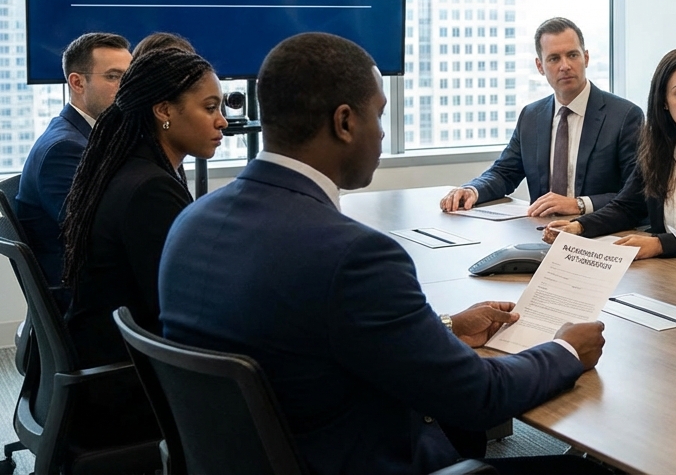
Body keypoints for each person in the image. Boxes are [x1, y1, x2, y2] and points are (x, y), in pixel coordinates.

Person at [160, 33, 608, 475]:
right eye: (379, 116)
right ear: (344, 122)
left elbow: (316, 336)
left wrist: (447, 327)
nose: (381, 133)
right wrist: (566, 348)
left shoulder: (190, 224)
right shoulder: (354, 255)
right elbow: (479, 396)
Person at [61, 48, 226, 445]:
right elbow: (180, 312)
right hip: (128, 391)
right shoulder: (149, 189)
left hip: (110, 368)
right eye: (209, 107)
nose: (222, 120)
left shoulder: (128, 168)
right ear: (164, 111)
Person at [540, 47, 676, 259]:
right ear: (664, 102)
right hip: (665, 271)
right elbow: (627, 207)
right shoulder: (659, 145)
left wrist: (659, 244)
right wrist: (579, 226)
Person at [440, 17, 643, 219]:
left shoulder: (624, 116)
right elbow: (504, 173)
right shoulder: (531, 116)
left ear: (586, 58)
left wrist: (579, 204)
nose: (565, 66)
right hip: (541, 231)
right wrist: (472, 190)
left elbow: (637, 194)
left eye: (572, 55)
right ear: (540, 66)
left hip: (599, 233)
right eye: (554, 58)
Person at [14, 33, 131, 290]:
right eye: (113, 77)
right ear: (77, 83)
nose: (126, 86)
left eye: (129, 76)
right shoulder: (64, 149)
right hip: (84, 300)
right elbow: (98, 236)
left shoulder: (91, 135)